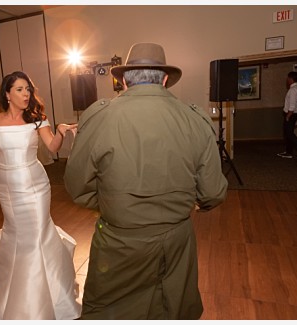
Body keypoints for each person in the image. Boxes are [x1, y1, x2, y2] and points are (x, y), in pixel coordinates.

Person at [65, 42, 228, 319]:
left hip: (119, 240)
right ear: (165, 80)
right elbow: (212, 191)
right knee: (171, 307)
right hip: (177, 239)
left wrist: (112, 201)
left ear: (124, 81)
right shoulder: (194, 119)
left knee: (109, 310)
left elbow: (76, 184)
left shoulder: (100, 117)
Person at [0, 71, 79, 319]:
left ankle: (45, 297)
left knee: (36, 235)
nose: (26, 94)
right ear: (7, 94)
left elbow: (52, 148)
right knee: (15, 234)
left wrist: (61, 131)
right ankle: (16, 291)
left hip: (36, 184)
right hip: (7, 186)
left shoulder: (37, 120)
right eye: (20, 89)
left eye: (28, 89)